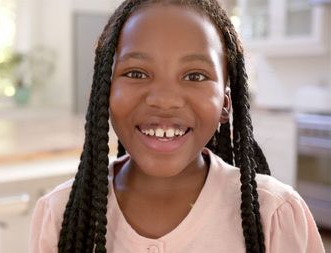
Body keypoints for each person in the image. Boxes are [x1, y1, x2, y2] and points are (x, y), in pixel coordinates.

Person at [29, 0, 326, 252]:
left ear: (225, 104)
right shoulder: (61, 214)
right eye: (136, 72)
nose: (165, 100)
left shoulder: (274, 213)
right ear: (104, 93)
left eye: (195, 76)